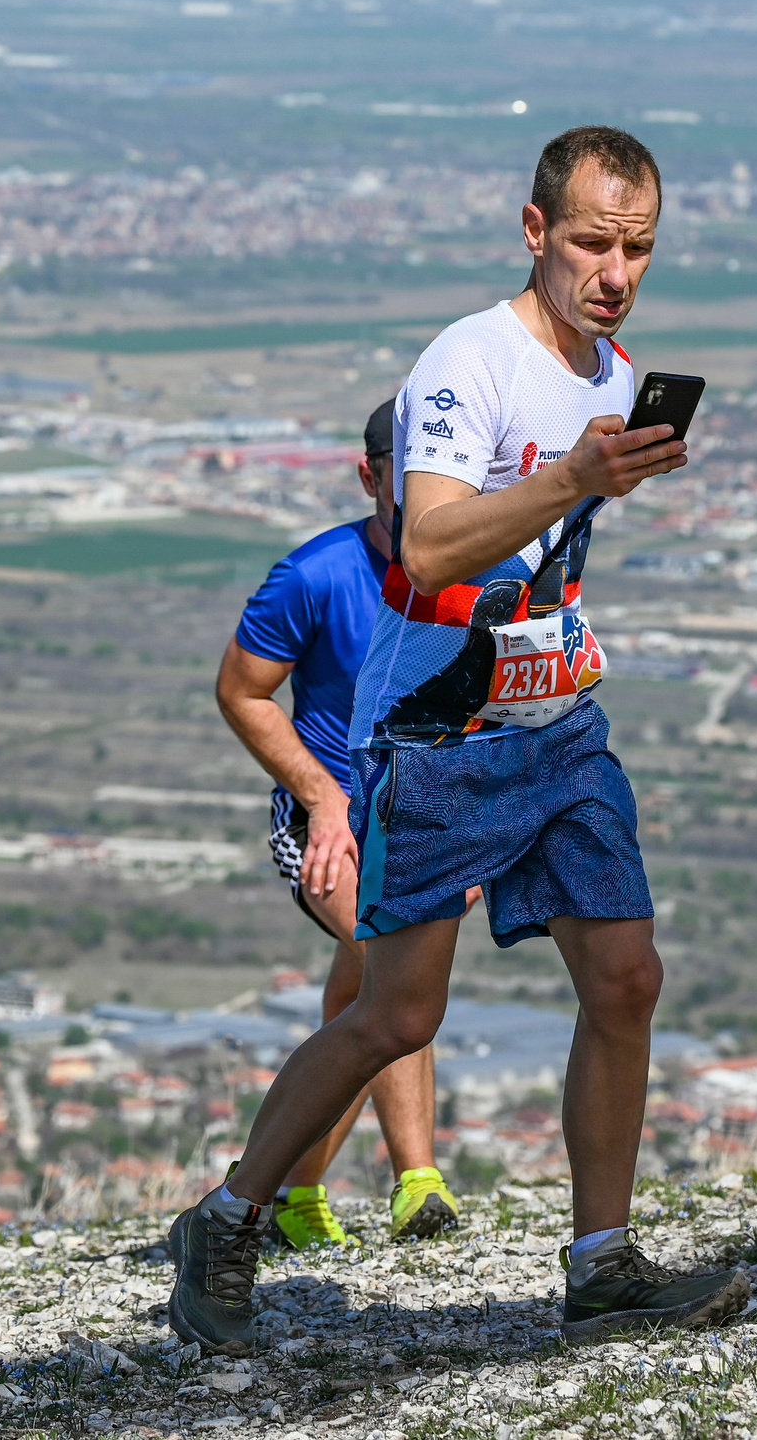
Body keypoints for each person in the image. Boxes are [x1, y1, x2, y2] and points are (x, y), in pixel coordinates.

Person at [169, 126, 746, 1349]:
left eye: (638, 247)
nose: (615, 270)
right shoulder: (464, 366)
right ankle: (224, 1218)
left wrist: (603, 473)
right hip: (437, 735)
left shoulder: (609, 370)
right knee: (396, 1017)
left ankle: (600, 1257)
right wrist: (578, 474)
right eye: (592, 241)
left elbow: (544, 541)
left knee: (627, 975)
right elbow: (426, 545)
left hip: (557, 720)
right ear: (535, 230)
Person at [215, 400, 459, 1250]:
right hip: (326, 819)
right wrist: (321, 798)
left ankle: (297, 1190)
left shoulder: (474, 572)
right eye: (407, 472)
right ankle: (417, 1180)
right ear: (371, 476)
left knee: (361, 990)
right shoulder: (314, 574)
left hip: (422, 817)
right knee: (391, 963)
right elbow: (242, 692)